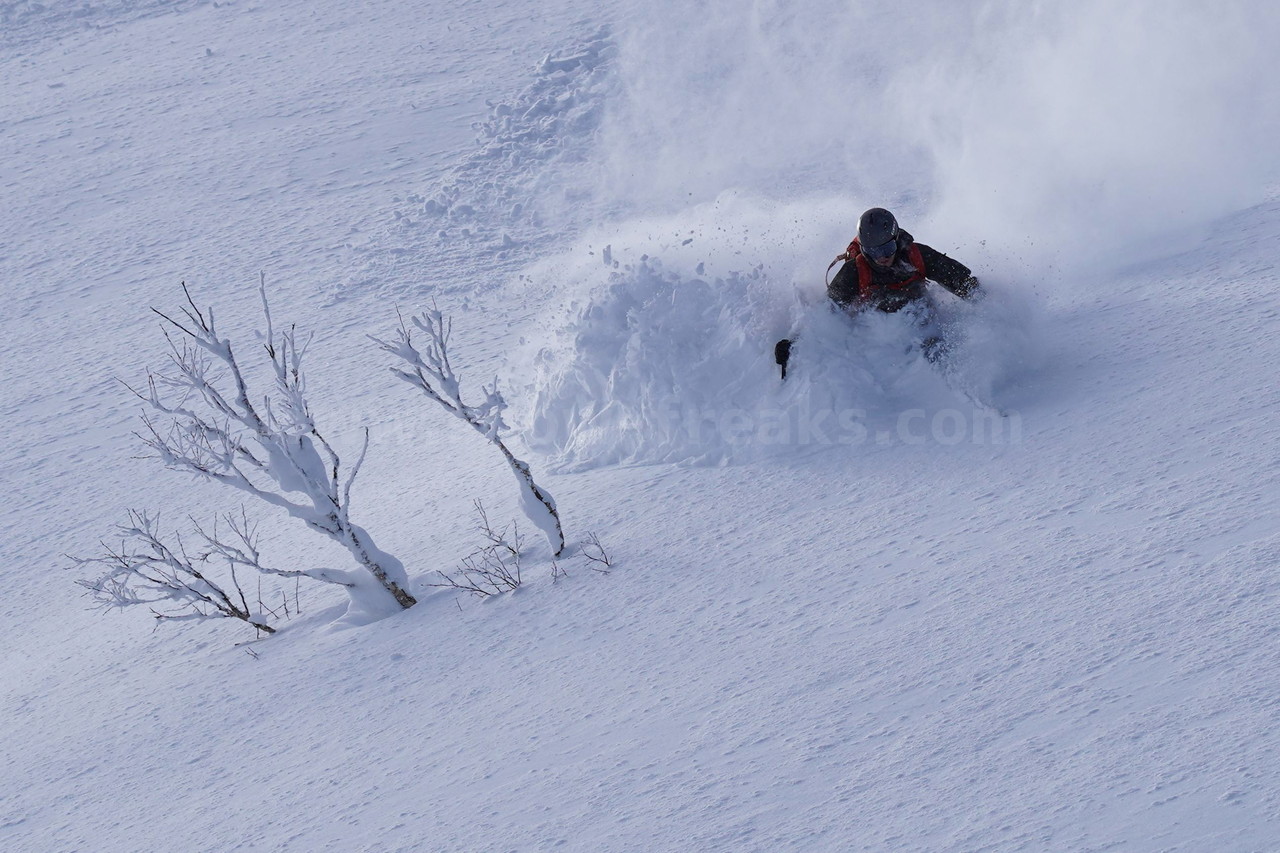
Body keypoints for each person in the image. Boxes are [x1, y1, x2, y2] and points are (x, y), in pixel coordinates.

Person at [827, 207, 980, 314]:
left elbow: (963, 283)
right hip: (876, 335)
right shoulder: (855, 270)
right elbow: (828, 310)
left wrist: (988, 306)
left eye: (887, 249)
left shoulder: (918, 256)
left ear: (897, 239)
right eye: (872, 251)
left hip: (921, 319)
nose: (881, 257)